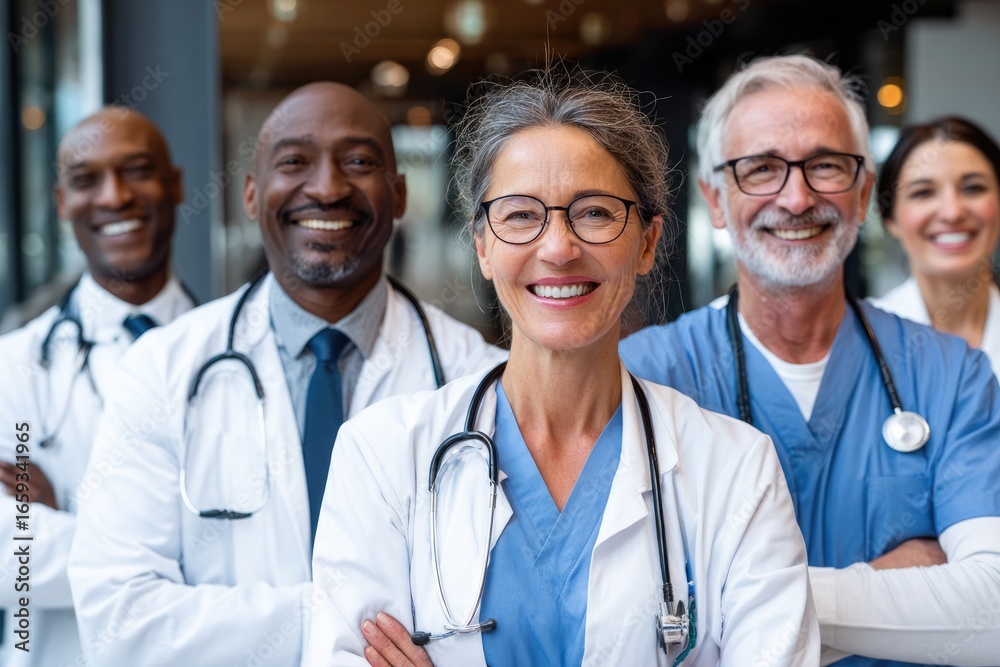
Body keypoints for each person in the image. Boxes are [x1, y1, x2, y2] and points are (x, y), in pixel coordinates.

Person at [308, 68, 819, 667]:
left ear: (647, 242)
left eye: (595, 213)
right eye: (521, 215)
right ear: (483, 245)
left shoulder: (737, 471)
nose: (558, 248)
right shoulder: (382, 455)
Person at [67, 82, 506, 666]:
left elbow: (496, 614)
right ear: (252, 195)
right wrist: (337, 618)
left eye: (359, 162)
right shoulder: (161, 369)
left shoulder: (480, 381)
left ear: (398, 194)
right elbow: (118, 622)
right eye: (295, 161)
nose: (326, 188)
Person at [620, 55, 1000, 666]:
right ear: (715, 199)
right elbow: (626, 614)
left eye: (825, 165)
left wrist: (734, 594)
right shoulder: (643, 376)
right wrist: (911, 583)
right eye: (761, 169)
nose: (796, 198)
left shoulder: (951, 374)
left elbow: (991, 614)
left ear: (863, 193)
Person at [0, 107, 196, 667]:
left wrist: (66, 529)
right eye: (87, 180)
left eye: (136, 171)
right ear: (62, 202)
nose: (114, 196)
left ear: (175, 185)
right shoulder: (13, 367)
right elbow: (8, 558)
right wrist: (187, 551)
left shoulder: (234, 356)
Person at [870, 116, 1000, 378]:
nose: (952, 212)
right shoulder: (862, 338)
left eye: (973, 188)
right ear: (890, 219)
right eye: (923, 192)